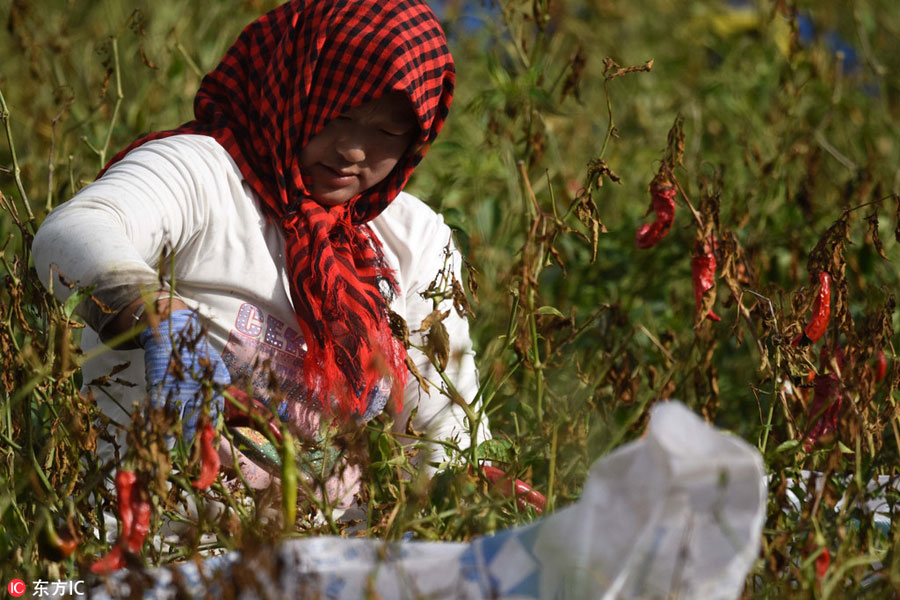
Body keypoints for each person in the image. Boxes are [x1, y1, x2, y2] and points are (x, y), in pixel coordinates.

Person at [32, 0, 488, 516]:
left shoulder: (412, 237)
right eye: (338, 113)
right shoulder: (203, 173)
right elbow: (72, 231)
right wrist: (159, 316)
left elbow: (444, 434)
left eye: (386, 134)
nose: (354, 150)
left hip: (324, 554)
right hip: (159, 539)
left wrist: (474, 496)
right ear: (291, 85)